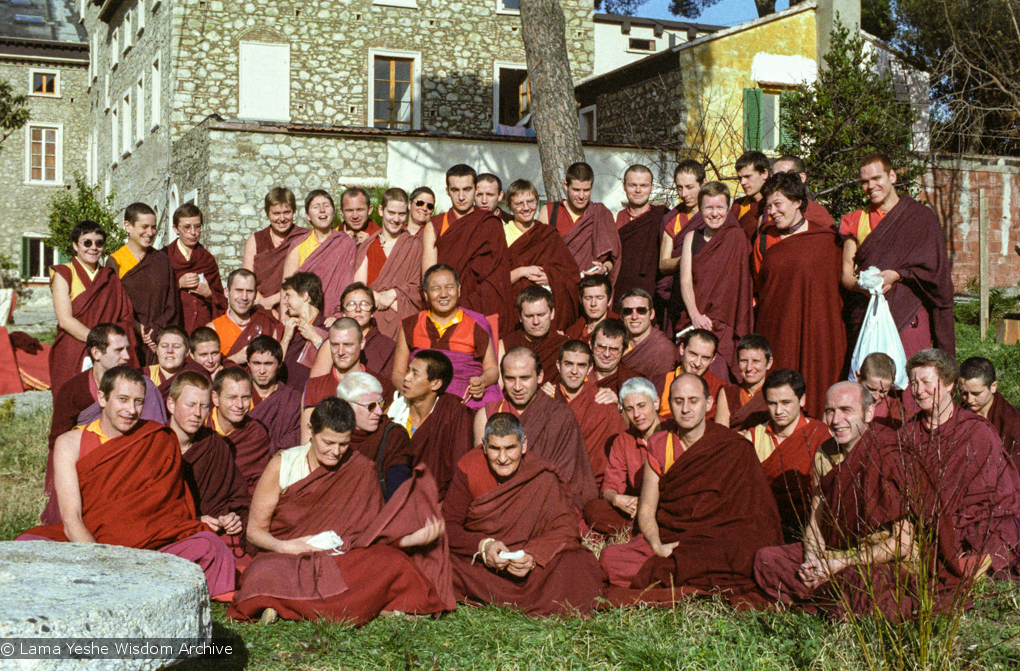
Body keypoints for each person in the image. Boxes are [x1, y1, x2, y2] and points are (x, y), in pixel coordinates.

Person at [228, 398, 452, 625]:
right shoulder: (283, 464)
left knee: (392, 562)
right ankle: (367, 606)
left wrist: (411, 539)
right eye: (328, 442)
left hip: (341, 558)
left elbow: (370, 534)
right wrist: (287, 546)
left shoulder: (360, 467)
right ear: (311, 431)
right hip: (288, 557)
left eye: (343, 444)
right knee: (261, 572)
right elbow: (254, 532)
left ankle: (282, 605)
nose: (335, 452)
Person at [21, 366, 235, 597]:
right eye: (123, 400)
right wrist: (103, 564)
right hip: (91, 540)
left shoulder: (157, 439)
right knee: (26, 545)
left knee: (210, 546)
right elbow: (71, 519)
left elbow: (165, 505)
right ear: (103, 398)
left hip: (149, 543)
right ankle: (135, 580)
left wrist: (189, 520)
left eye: (139, 402)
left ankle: (129, 580)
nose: (131, 410)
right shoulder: (70, 443)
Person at [598, 373, 782, 602]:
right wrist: (656, 546)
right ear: (669, 404)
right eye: (678, 401)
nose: (685, 409)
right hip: (671, 537)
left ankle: (676, 574)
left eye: (693, 401)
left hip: (716, 538)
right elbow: (646, 510)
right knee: (609, 558)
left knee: (743, 554)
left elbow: (754, 513)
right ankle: (687, 575)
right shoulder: (658, 444)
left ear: (708, 404)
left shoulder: (733, 447)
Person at [752, 381, 908, 617]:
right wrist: (812, 559)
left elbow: (902, 543)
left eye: (846, 410)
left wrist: (841, 564)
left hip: (876, 559)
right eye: (830, 411)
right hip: (834, 553)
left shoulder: (889, 453)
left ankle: (825, 600)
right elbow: (816, 521)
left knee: (857, 581)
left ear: (868, 413)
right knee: (766, 560)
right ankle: (833, 602)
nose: (836, 420)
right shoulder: (824, 453)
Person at [444, 413, 602, 616]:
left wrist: (534, 555)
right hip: (485, 566)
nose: (502, 458)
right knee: (435, 559)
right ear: (484, 446)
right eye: (494, 449)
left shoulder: (541, 475)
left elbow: (565, 528)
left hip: (529, 567)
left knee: (579, 562)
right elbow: (448, 525)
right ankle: (539, 601)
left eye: (510, 448)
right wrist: (484, 546)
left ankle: (506, 598)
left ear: (524, 445)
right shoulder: (470, 467)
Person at [900, 350, 1020, 581]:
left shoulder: (977, 430)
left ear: (948, 384)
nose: (918, 390)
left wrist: (953, 517)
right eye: (913, 383)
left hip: (973, 520)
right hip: (924, 521)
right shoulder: (908, 433)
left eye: (926, 382)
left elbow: (1000, 492)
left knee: (993, 540)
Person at [43, 323, 167, 525]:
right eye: (118, 350)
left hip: (137, 471)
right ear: (96, 353)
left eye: (127, 348)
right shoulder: (73, 390)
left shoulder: (143, 387)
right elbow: (57, 440)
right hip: (92, 471)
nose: (127, 356)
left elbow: (157, 440)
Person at [840, 154, 955, 358]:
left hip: (909, 313)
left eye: (877, 178)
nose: (871, 186)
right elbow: (846, 277)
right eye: (865, 182)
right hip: (869, 315)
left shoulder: (920, 217)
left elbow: (935, 272)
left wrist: (897, 274)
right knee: (871, 383)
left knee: (912, 381)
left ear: (892, 176)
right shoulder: (855, 220)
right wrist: (864, 286)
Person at [755, 173, 845, 420]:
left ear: (797, 202)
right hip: (779, 331)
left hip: (818, 332)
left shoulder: (826, 241)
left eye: (778, 204)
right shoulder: (764, 238)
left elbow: (833, 294)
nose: (772, 211)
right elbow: (763, 291)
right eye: (769, 206)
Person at [475, 347, 598, 510]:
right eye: (510, 379)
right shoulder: (487, 414)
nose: (517, 387)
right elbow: (480, 472)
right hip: (498, 502)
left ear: (539, 376)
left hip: (544, 503)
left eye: (525, 378)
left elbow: (564, 476)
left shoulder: (560, 415)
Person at [672, 181, 753, 379]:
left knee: (720, 378)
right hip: (695, 320)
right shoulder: (692, 237)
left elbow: (742, 284)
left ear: (728, 210)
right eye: (709, 208)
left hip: (726, 324)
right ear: (700, 209)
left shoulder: (738, 238)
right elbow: (685, 281)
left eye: (720, 208)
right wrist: (695, 315)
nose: (714, 213)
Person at [392, 264, 501, 409]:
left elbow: (492, 370)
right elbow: (397, 373)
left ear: (459, 289)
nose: (443, 294)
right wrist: (413, 393)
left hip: (466, 399)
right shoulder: (411, 325)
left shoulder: (478, 323)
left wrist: (482, 381)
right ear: (425, 294)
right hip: (422, 398)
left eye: (449, 287)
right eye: (435, 289)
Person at [49, 221, 137, 395]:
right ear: (75, 245)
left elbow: (125, 315)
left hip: (108, 352)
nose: (93, 248)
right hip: (73, 347)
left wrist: (109, 347)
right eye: (87, 242)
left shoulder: (109, 277)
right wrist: (100, 342)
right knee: (73, 401)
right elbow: (65, 320)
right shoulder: (64, 273)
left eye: (99, 243)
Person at [741, 369, 830, 543]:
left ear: (802, 400)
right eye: (772, 403)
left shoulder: (820, 436)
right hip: (762, 525)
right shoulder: (752, 437)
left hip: (809, 525)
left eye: (786, 402)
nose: (779, 410)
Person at [422, 164, 514, 329]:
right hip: (444, 307)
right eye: (455, 190)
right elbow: (429, 277)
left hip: (483, 307)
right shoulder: (436, 225)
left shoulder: (490, 224)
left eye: (467, 189)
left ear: (475, 188)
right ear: (447, 191)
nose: (461, 196)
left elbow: (498, 274)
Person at [167, 371, 249, 541]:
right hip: (171, 536)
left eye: (204, 406)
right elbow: (151, 511)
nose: (197, 413)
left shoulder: (214, 445)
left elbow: (237, 497)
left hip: (214, 534)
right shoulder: (155, 446)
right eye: (190, 405)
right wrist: (194, 520)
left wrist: (232, 517)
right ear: (171, 404)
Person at [386, 350, 475, 499]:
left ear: (435, 384)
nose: (406, 378)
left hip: (435, 502)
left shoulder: (454, 413)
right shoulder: (394, 410)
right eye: (408, 370)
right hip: (394, 496)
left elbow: (460, 468)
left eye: (415, 373)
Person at [582, 377, 660, 536]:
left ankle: (639, 530)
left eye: (642, 406)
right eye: (629, 409)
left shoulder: (672, 432)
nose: (637, 414)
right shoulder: (624, 440)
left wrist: (649, 505)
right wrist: (617, 499)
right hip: (635, 509)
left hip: (664, 506)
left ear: (656, 403)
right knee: (593, 510)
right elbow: (609, 486)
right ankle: (638, 530)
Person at [106, 203, 180, 365]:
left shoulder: (161, 259)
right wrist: (140, 330)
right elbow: (115, 307)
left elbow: (172, 302)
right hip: (130, 339)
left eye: (153, 227)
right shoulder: (116, 261)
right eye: (144, 227)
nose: (150, 233)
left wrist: (156, 332)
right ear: (128, 226)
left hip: (159, 339)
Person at [504, 179, 581, 332]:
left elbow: (572, 275)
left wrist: (551, 278)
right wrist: (522, 271)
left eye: (531, 202)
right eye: (519, 203)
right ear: (510, 206)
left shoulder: (548, 235)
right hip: (513, 313)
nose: (526, 208)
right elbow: (494, 281)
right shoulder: (501, 235)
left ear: (537, 202)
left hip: (546, 315)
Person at [548, 340, 626, 487]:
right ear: (558, 366)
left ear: (590, 368)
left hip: (589, 485)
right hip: (550, 483)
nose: (574, 371)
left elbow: (622, 451)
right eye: (568, 364)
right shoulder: (545, 399)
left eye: (581, 365)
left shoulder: (603, 404)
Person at [353, 188, 424, 340]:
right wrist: (380, 298)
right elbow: (359, 288)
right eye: (391, 213)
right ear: (381, 210)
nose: (396, 219)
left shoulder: (414, 245)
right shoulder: (368, 245)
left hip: (404, 326)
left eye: (401, 214)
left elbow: (418, 288)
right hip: (372, 324)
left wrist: (393, 294)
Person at [537, 161, 621, 288]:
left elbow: (612, 258)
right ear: (566, 185)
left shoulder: (601, 214)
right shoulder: (549, 212)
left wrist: (604, 269)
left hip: (588, 290)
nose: (581, 196)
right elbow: (537, 254)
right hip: (556, 287)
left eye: (586, 190)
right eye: (576, 190)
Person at [301, 318, 382, 443]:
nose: (340, 352)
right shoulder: (315, 387)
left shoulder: (380, 386)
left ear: (362, 343)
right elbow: (306, 442)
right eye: (335, 345)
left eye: (348, 345)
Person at [337, 371, 415, 500]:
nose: (379, 412)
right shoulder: (331, 434)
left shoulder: (394, 435)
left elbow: (398, 490)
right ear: (347, 407)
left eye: (381, 404)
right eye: (371, 406)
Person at [282, 189, 359, 317]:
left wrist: (341, 315)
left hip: (338, 317)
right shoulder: (299, 245)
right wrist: (284, 320)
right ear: (307, 215)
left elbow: (349, 284)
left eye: (327, 206)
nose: (322, 210)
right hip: (303, 317)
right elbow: (286, 289)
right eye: (316, 207)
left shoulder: (346, 244)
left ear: (334, 212)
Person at [309, 283, 398, 384]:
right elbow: (315, 386)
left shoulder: (388, 346)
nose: (358, 309)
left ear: (372, 312)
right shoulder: (332, 343)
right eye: (351, 304)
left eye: (364, 304)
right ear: (343, 312)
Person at [164, 203, 227, 333]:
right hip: (175, 326)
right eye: (187, 227)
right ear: (175, 228)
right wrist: (178, 283)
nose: (193, 233)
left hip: (202, 326)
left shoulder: (207, 259)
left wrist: (209, 294)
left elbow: (221, 298)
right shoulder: (165, 256)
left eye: (197, 227)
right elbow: (155, 295)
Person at [243, 186, 307, 313]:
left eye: (287, 212)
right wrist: (262, 302)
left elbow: (308, 280)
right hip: (259, 307)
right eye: (276, 213)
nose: (282, 219)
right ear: (268, 213)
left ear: (294, 211)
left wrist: (272, 300)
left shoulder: (304, 238)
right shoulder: (255, 240)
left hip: (296, 308)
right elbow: (246, 279)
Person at [658, 161, 706, 329]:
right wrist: (687, 260)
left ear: (703, 184)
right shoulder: (673, 218)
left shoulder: (718, 216)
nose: (684, 193)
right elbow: (663, 264)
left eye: (689, 187)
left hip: (709, 292)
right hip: (678, 295)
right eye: (679, 188)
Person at [209, 367, 273, 493]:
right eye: (232, 397)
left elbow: (258, 485)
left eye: (245, 397)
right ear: (215, 398)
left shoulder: (255, 433)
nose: (239, 405)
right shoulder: (200, 426)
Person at [208, 269, 283, 366]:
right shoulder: (213, 329)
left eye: (249, 291)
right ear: (226, 292)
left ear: (256, 294)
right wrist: (235, 359)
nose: (244, 297)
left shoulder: (268, 320)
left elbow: (281, 361)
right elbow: (207, 371)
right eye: (239, 290)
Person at [615, 165, 667, 304]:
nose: (638, 190)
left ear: (652, 187)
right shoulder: (616, 219)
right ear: (624, 186)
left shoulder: (662, 217)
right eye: (633, 185)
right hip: (620, 289)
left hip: (650, 290)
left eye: (643, 185)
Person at [499, 286, 568, 386]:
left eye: (541, 315)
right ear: (520, 317)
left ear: (552, 313)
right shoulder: (505, 345)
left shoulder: (563, 345)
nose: (536, 322)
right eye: (529, 316)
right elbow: (497, 390)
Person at [246, 336, 302, 456]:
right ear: (248, 364)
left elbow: (294, 438)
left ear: (279, 365)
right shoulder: (238, 395)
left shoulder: (292, 399)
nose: (262, 370)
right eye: (256, 363)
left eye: (268, 364)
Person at [959, 356, 1020, 463]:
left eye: (976, 393)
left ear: (993, 387)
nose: (969, 399)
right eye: (963, 393)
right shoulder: (957, 412)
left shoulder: (1012, 423)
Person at [655, 329, 726, 420]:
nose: (697, 363)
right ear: (682, 349)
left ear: (713, 359)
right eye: (693, 354)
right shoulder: (661, 382)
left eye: (705, 358)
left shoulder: (719, 388)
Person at [278, 271, 328, 393]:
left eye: (288, 296)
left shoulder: (328, 327)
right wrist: (285, 339)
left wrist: (315, 338)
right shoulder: (286, 329)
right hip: (285, 395)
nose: (285, 302)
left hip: (313, 395)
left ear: (305, 296)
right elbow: (274, 366)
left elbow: (336, 363)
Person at [714, 334, 773, 430]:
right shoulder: (728, 393)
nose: (749, 368)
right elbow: (721, 436)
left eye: (756, 361)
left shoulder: (775, 392)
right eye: (744, 361)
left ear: (769, 363)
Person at [619, 288, 677, 379]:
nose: (634, 317)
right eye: (628, 311)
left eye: (641, 310)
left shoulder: (663, 349)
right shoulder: (617, 341)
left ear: (651, 314)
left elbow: (659, 389)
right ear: (622, 316)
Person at [771, 155, 835, 228]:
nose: (776, 182)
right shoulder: (768, 209)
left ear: (802, 178)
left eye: (783, 177)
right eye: (774, 177)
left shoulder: (816, 213)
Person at [857, 351, 906, 429]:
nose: (876, 397)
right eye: (871, 389)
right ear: (858, 377)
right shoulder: (842, 402)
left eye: (883, 391)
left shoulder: (896, 413)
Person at [590, 318, 638, 394]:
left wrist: (619, 404)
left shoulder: (634, 382)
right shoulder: (579, 374)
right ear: (591, 345)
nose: (606, 354)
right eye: (601, 347)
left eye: (614, 349)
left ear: (624, 351)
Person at [564, 274, 618, 342]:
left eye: (599, 298)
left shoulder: (620, 326)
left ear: (609, 301)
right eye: (588, 298)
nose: (593, 304)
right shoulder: (572, 331)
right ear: (581, 300)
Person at [732, 151, 771, 240]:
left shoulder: (776, 204)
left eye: (748, 177)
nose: (743, 182)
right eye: (740, 178)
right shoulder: (738, 205)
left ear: (765, 173)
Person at [148, 326, 189, 399]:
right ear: (157, 350)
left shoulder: (195, 377)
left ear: (187, 352)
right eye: (164, 346)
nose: (169, 351)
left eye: (176, 347)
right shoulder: (144, 376)